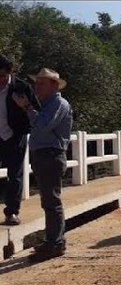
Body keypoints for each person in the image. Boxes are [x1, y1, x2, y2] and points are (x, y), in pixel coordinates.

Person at [12, 68, 73, 262]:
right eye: (36, 82)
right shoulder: (48, 104)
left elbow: (43, 125)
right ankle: (54, 241)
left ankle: (54, 243)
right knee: (49, 201)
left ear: (54, 86)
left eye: (42, 83)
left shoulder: (58, 103)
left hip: (51, 155)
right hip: (45, 156)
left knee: (51, 202)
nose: (37, 86)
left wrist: (28, 107)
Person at [0, 54, 40, 226]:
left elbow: (37, 112)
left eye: (2, 76)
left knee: (15, 175)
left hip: (15, 135)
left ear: (9, 72)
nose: (0, 80)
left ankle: (12, 213)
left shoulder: (21, 87)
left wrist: (23, 106)